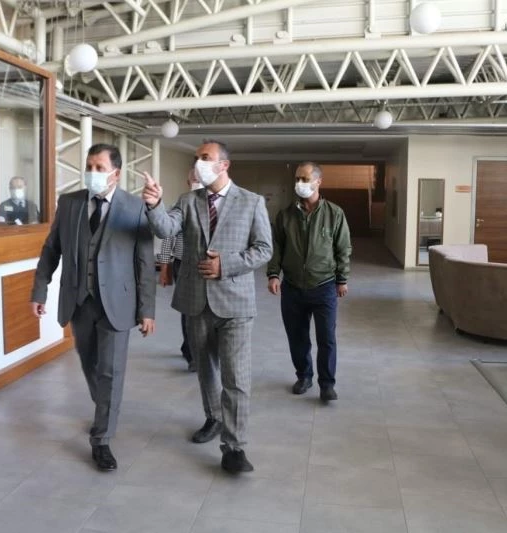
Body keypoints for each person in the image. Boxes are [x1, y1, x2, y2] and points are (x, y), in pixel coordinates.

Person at [141, 139, 272, 474]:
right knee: (206, 369)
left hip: (236, 303)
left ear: (223, 165)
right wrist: (154, 205)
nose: (199, 162)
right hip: (196, 300)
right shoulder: (188, 200)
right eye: (197, 157)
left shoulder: (252, 202)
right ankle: (213, 417)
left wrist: (225, 264)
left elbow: (263, 249)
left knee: (236, 376)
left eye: (205, 157)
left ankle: (235, 447)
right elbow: (166, 229)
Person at [30, 143, 156, 471]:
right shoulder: (69, 203)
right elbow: (51, 249)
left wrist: (147, 310)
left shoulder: (134, 207)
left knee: (111, 370)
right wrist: (40, 290)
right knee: (90, 364)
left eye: (100, 167)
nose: (92, 173)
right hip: (80, 301)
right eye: (89, 166)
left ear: (116, 173)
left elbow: (145, 262)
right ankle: (106, 409)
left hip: (118, 303)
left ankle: (101, 439)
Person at [267, 162, 352, 402]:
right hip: (292, 287)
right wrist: (273, 274)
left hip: (324, 286)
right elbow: (277, 247)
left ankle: (327, 384)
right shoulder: (285, 215)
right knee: (297, 337)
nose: (299, 183)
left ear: (318, 182)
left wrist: (342, 279)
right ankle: (304, 376)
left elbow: (343, 248)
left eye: (305, 179)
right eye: (297, 179)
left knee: (327, 339)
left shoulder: (334, 214)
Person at [156, 168, 204, 372]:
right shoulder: (181, 205)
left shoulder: (215, 207)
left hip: (206, 265)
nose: (198, 182)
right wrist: (164, 267)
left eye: (201, 179)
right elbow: (168, 237)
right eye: (194, 179)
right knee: (188, 310)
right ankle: (191, 354)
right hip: (182, 264)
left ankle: (202, 350)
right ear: (188, 182)